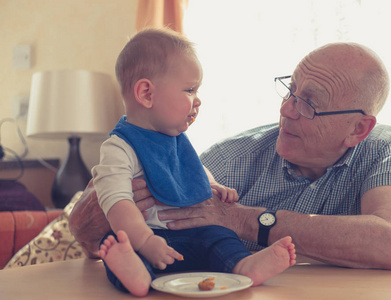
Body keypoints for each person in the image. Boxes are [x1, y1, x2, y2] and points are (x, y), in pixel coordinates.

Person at [69, 41, 391, 272]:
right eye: (290, 91)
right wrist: (112, 199)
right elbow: (84, 231)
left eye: (308, 103)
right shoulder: (237, 155)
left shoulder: (382, 148)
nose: (285, 110)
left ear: (358, 129)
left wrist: (241, 218)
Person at [92, 28, 296, 297]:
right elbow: (117, 204)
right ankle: (137, 274)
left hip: (192, 235)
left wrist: (212, 185)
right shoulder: (120, 147)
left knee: (219, 235)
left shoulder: (174, 138)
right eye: (189, 90)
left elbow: (193, 168)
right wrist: (145, 241)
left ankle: (243, 265)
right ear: (146, 94)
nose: (197, 100)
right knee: (116, 245)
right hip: (149, 237)